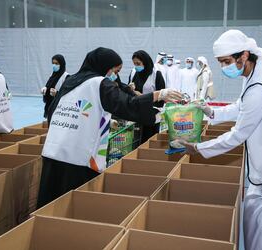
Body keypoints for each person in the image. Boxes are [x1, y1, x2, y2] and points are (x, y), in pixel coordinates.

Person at [180, 30, 262, 250]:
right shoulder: (256, 71)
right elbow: (242, 106)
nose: (224, 68)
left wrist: (199, 148)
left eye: (226, 62)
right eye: (220, 63)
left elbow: (238, 134)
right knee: (253, 222)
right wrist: (211, 112)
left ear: (244, 55)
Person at [37, 47, 181, 208]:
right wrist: (158, 95)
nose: (115, 75)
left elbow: (53, 113)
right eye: (115, 70)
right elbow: (127, 104)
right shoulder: (99, 83)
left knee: (49, 205)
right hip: (78, 158)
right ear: (106, 66)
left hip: (53, 151)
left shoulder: (71, 81)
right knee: (74, 206)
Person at [128, 50, 166, 143]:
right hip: (137, 113)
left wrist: (143, 97)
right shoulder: (133, 72)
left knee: (149, 141)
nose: (137, 66)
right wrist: (130, 89)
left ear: (145, 61)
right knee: (136, 141)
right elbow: (128, 91)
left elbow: (162, 97)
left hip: (152, 115)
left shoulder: (156, 74)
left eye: (138, 63)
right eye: (134, 64)